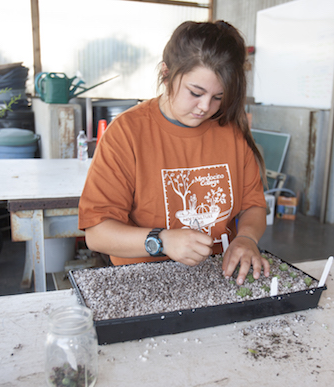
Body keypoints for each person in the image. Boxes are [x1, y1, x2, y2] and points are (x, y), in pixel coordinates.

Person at [78, 20, 269, 285]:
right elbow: (98, 233)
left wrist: (247, 238)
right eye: (195, 92)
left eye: (218, 97)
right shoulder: (127, 132)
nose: (205, 107)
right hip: (142, 279)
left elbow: (254, 206)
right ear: (166, 73)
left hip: (218, 276)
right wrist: (162, 240)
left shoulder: (230, 132)